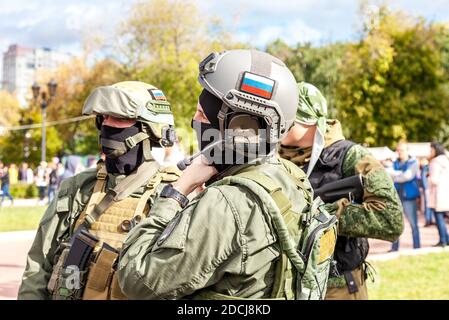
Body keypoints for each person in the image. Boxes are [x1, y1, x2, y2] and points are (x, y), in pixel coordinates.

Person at [118, 49, 338, 300]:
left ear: (240, 127)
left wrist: (177, 191)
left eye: (201, 113)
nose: (194, 120)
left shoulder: (225, 202)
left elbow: (136, 280)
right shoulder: (291, 175)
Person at [18, 81, 180, 300]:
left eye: (120, 118)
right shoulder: (78, 188)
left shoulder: (171, 194)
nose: (107, 125)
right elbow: (38, 266)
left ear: (149, 129)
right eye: (104, 117)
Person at [278, 82, 404, 300]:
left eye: (288, 116)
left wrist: (323, 215)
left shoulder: (351, 155)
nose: (278, 122)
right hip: (287, 287)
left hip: (337, 287)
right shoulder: (273, 159)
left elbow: (390, 219)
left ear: (310, 120)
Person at [387, 141, 421, 251]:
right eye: (398, 150)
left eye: (402, 150)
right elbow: (390, 175)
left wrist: (395, 175)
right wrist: (400, 174)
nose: (399, 152)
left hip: (408, 197)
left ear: (407, 150)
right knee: (396, 223)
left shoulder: (413, 162)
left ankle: (417, 248)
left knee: (413, 224)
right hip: (396, 196)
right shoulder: (395, 162)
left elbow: (407, 176)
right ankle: (394, 248)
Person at [428, 142, 449, 247]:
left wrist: (428, 177)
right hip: (445, 193)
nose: (430, 152)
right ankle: (447, 239)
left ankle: (443, 240)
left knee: (439, 218)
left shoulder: (435, 162)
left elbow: (434, 180)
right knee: (443, 218)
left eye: (431, 149)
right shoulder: (446, 160)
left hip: (437, 194)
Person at [419, 158, 434, 227]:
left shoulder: (427, 167)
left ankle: (429, 220)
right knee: (428, 205)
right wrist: (426, 188)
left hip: (429, 189)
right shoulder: (426, 167)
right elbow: (423, 178)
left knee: (429, 205)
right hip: (427, 189)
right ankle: (428, 220)